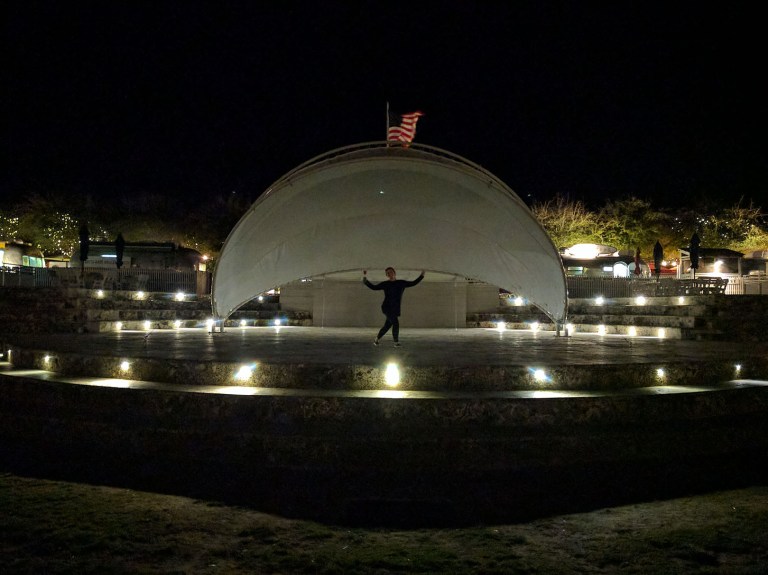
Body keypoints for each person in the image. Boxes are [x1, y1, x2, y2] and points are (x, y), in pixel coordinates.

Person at [363, 267, 425, 347]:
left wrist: (422, 275)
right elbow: (374, 287)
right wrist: (365, 278)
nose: (389, 274)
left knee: (387, 326)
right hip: (386, 308)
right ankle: (396, 342)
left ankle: (376, 340)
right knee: (395, 323)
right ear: (387, 275)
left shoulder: (401, 283)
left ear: (394, 273)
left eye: (391, 272)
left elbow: (413, 283)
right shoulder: (385, 284)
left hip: (395, 309)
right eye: (388, 273)